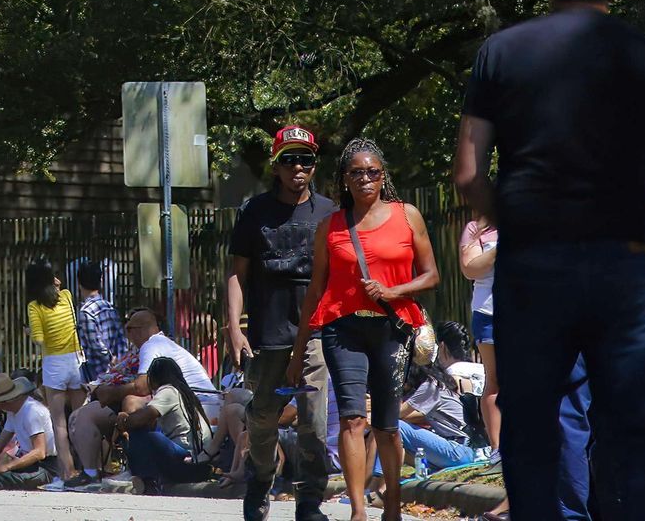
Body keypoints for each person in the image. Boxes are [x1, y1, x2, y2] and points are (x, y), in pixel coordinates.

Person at [453, 0, 645, 521]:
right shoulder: (644, 55)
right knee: (638, 424)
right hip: (622, 263)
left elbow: (468, 174)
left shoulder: (501, 54)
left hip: (535, 267)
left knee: (538, 424)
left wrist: (513, 224)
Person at [292, 139, 439, 521]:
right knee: (353, 419)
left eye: (372, 171)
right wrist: (299, 350)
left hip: (392, 330)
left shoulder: (407, 215)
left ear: (383, 175)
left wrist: (394, 290)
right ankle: (358, 511)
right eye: (356, 172)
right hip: (343, 331)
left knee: (387, 427)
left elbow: (431, 275)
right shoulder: (331, 226)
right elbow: (316, 289)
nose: (365, 178)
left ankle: (391, 504)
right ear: (344, 179)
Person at [225, 123, 333, 521]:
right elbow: (237, 273)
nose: (297, 167)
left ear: (314, 165)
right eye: (288, 160)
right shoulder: (254, 211)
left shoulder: (329, 212)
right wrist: (235, 328)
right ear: (276, 166)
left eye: (305, 159)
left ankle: (309, 502)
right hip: (267, 334)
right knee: (264, 416)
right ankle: (260, 480)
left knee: (313, 421)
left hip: (317, 332)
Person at [68, 309, 216, 483]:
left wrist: (121, 417)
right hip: (200, 416)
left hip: (189, 440)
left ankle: (134, 471)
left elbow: (142, 386)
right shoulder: (163, 347)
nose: (127, 334)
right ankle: (124, 471)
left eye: (129, 329)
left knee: (135, 413)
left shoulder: (152, 347)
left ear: (140, 330)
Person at [23, 259, 83, 486]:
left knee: (59, 422)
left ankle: (67, 472)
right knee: (81, 417)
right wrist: (56, 284)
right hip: (76, 359)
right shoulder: (66, 296)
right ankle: (91, 467)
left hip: (54, 365)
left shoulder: (34, 306)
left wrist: (30, 331)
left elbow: (39, 339)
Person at [117, 355, 215, 490]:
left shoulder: (168, 391)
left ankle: (146, 480)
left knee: (144, 434)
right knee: (147, 432)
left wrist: (124, 420)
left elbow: (142, 418)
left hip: (187, 461)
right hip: (197, 459)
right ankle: (146, 477)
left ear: (155, 378)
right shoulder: (183, 392)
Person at [0, 373, 56, 489]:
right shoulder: (13, 412)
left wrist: (7, 466)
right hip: (27, 463)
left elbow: (39, 452)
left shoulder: (32, 411)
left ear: (7, 400)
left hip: (46, 467)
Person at [458, 211, 500, 453]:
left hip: (527, 312)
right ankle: (497, 448)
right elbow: (470, 269)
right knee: (494, 380)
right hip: (489, 312)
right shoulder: (476, 229)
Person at [395, 359, 475, 475]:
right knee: (391, 432)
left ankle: (380, 483)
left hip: (459, 450)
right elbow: (409, 416)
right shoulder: (438, 383)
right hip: (460, 449)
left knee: (394, 426)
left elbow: (397, 414)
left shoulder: (431, 386)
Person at [74, 262, 125, 385]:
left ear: (79, 284)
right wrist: (120, 359)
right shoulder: (108, 306)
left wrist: (109, 358)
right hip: (117, 367)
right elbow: (120, 336)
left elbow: (96, 344)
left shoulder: (85, 312)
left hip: (98, 371)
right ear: (100, 281)